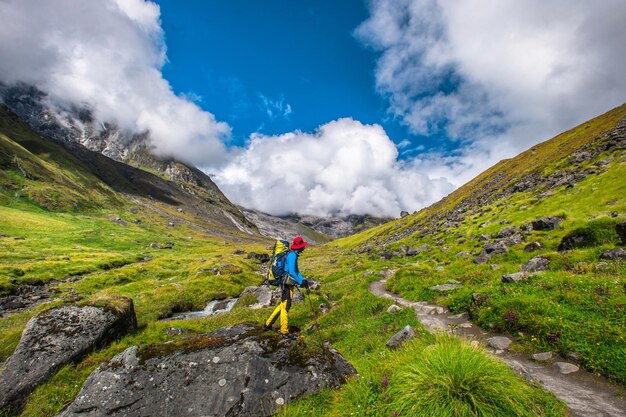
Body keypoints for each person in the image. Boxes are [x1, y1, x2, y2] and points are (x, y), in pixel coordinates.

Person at [264, 236, 310, 339]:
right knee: (286, 306)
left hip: (287, 283)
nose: (304, 248)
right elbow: (292, 271)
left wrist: (302, 280)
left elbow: (296, 271)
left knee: (282, 304)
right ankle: (284, 331)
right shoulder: (292, 255)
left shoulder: (293, 254)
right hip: (286, 284)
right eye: (303, 247)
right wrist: (300, 281)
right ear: (300, 247)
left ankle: (268, 324)